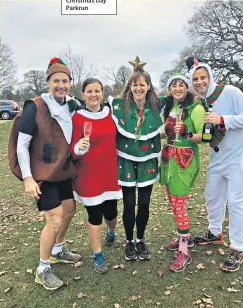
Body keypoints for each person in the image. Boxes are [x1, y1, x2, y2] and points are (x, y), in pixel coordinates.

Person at [8, 58, 81, 290]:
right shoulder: (36, 106)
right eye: (56, 80)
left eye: (65, 81)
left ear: (70, 83)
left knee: (70, 210)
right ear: (48, 82)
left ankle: (58, 250)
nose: (61, 85)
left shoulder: (72, 104)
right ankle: (43, 268)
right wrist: (28, 178)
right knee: (54, 217)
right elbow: (22, 144)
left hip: (62, 170)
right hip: (42, 172)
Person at [189, 58, 243, 272]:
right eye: (195, 79)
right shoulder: (201, 102)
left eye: (203, 77)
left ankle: (237, 248)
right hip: (218, 156)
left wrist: (223, 119)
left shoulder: (229, 91)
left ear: (210, 77)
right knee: (212, 195)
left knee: (236, 200)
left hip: (240, 155)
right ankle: (214, 232)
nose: (200, 81)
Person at [108, 56, 165, 261]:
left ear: (149, 86)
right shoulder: (119, 105)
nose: (138, 88)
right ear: (130, 86)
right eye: (135, 84)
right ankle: (129, 241)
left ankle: (141, 239)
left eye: (142, 84)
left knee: (145, 203)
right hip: (126, 159)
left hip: (148, 158)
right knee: (129, 203)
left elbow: (182, 96)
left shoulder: (158, 105)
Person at [70, 78, 122, 273]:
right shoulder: (77, 118)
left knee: (111, 212)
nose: (93, 95)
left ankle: (112, 232)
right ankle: (97, 254)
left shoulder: (111, 114)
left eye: (97, 91)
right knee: (95, 215)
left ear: (102, 93)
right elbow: (71, 148)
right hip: (88, 174)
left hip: (109, 172)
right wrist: (78, 147)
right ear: (83, 94)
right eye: (89, 91)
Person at [159, 73, 205, 272]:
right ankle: (183, 238)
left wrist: (187, 133)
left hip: (184, 160)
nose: (177, 88)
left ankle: (185, 251)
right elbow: (167, 132)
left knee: (179, 204)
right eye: (173, 85)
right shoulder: (172, 107)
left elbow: (205, 136)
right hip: (169, 158)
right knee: (173, 201)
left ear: (187, 87)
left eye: (181, 85)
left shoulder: (196, 108)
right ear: (169, 89)